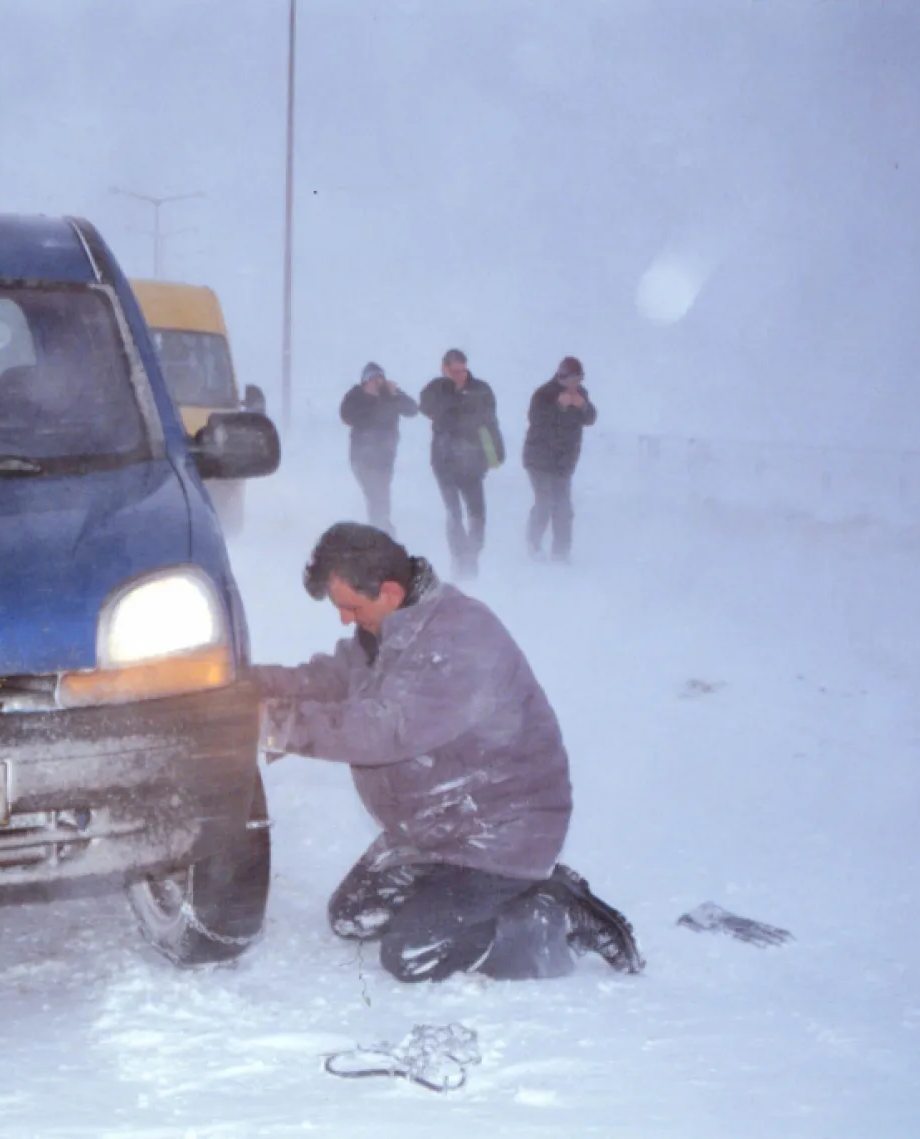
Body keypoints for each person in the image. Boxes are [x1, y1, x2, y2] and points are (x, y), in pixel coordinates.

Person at [253, 523, 643, 984]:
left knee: (411, 954)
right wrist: (245, 686)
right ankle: (472, 893)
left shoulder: (458, 638)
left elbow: (386, 729)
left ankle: (555, 911)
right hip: (435, 826)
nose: (344, 619)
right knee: (353, 916)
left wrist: (273, 725)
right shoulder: (388, 629)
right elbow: (332, 679)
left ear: (390, 591)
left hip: (500, 829)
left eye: (350, 607)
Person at [419, 349, 503, 579]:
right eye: (454, 371)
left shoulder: (481, 389)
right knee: (454, 512)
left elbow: (490, 422)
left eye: (462, 370)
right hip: (444, 460)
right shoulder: (436, 389)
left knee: (477, 514)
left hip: (473, 461)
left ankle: (472, 556)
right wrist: (450, 390)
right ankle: (458, 558)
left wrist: (496, 452)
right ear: (444, 369)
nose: (459, 375)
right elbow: (425, 407)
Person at [522, 356, 598, 562]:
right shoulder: (544, 394)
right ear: (562, 377)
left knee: (563, 508)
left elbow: (590, 418)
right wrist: (559, 406)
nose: (576, 384)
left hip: (564, 462)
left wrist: (583, 406)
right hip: (539, 460)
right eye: (573, 380)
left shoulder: (581, 395)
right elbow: (537, 420)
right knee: (544, 502)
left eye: (579, 380)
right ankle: (533, 543)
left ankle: (561, 552)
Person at [339, 362, 419, 533]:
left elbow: (412, 410)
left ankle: (381, 528)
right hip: (361, 455)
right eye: (373, 380)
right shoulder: (356, 395)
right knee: (374, 493)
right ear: (364, 382)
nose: (377, 384)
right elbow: (347, 416)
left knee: (382, 492)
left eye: (380, 380)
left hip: (385, 455)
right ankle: (380, 528)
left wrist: (396, 394)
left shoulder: (390, 396)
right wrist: (374, 401)